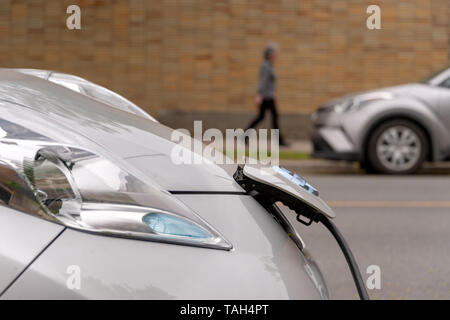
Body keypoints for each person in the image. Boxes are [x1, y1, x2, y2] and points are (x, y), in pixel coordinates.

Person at [246, 42, 287, 146]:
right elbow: (263, 81)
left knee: (262, 116)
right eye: (275, 53)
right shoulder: (265, 65)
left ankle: (244, 135)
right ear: (270, 53)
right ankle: (279, 141)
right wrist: (259, 94)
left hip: (269, 95)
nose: (276, 55)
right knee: (273, 117)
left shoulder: (269, 65)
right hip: (266, 96)